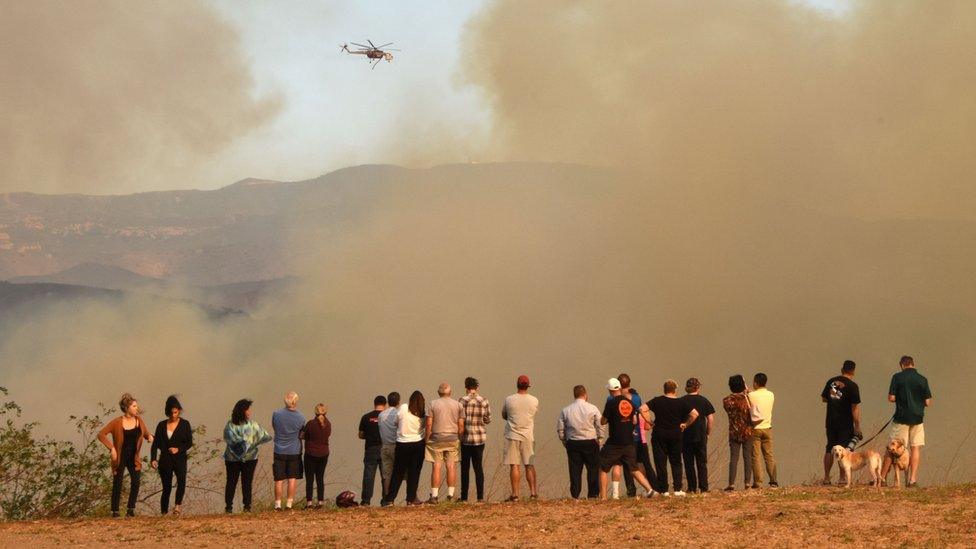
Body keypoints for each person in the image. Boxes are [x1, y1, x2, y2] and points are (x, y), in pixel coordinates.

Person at [880, 356, 932, 487]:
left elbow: (891, 398)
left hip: (901, 418)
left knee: (892, 448)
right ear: (913, 364)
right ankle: (912, 480)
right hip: (918, 419)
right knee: (915, 448)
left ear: (902, 365)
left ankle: (882, 478)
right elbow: (928, 402)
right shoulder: (923, 379)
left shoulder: (897, 377)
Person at [98, 393, 152, 517]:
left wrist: (149, 437)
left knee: (136, 481)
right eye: (134, 406)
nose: (136, 408)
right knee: (118, 482)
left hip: (134, 458)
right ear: (127, 408)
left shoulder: (139, 421)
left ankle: (130, 509)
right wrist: (111, 448)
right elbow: (101, 434)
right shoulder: (117, 422)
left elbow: (146, 433)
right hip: (120, 457)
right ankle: (115, 511)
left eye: (136, 406)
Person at [600, 378, 655, 499]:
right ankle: (650, 490)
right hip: (629, 441)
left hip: (615, 441)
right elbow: (636, 418)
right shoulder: (630, 402)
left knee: (603, 467)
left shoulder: (611, 402)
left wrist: (610, 419)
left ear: (610, 390)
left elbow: (603, 421)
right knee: (634, 468)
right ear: (619, 388)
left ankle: (603, 497)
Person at [647, 379, 699, 496]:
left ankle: (664, 490)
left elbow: (642, 408)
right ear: (675, 390)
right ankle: (677, 489)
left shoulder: (657, 401)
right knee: (676, 462)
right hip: (676, 434)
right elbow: (695, 414)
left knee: (661, 462)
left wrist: (649, 421)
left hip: (659, 434)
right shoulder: (681, 402)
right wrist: (685, 424)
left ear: (664, 389)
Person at [223, 398, 272, 513]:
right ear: (242, 411)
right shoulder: (233, 425)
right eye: (248, 410)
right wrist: (248, 442)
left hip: (241, 459)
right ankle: (231, 507)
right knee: (233, 482)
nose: (250, 412)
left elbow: (265, 436)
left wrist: (245, 443)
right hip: (238, 459)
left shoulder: (247, 425)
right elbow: (264, 436)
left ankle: (245, 506)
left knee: (244, 482)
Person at [557, 384, 603, 499]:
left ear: (574, 395)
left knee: (575, 471)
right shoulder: (593, 408)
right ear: (585, 394)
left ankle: (575, 495)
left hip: (573, 443)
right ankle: (593, 494)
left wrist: (564, 440)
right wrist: (600, 438)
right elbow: (600, 424)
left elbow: (560, 427)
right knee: (593, 469)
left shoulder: (566, 410)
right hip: (590, 442)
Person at [150, 395, 193, 515]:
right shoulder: (161, 425)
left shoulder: (185, 424)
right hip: (165, 460)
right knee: (166, 487)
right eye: (171, 413)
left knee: (181, 481)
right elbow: (155, 444)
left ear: (179, 411)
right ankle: (163, 512)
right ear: (167, 412)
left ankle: (177, 506)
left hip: (180, 459)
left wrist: (178, 449)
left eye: (175, 412)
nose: (173, 415)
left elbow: (189, 443)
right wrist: (153, 458)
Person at [821, 360, 861, 485]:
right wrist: (857, 425)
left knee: (829, 448)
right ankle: (842, 478)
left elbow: (823, 398)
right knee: (843, 451)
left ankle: (826, 478)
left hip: (831, 421)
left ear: (841, 369)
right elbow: (854, 407)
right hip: (845, 423)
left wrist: (835, 399)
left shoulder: (831, 382)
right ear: (853, 371)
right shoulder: (853, 386)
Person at [383, 390, 427, 506]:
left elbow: (395, 422)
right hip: (418, 444)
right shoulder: (423, 412)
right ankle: (411, 499)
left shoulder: (403, 407)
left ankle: (390, 499)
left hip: (402, 443)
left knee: (398, 472)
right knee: (414, 473)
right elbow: (424, 428)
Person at [502, 374, 539, 502]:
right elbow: (534, 413)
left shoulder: (509, 399)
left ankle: (515, 494)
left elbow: (504, 415)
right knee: (529, 464)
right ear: (528, 386)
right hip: (528, 435)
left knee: (514, 465)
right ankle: (533, 493)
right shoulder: (534, 400)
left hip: (512, 434)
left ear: (517, 385)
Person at [425, 382, 464, 503]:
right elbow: (461, 424)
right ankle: (450, 495)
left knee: (436, 466)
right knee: (451, 466)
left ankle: (435, 496)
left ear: (438, 393)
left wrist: (427, 439)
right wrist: (460, 438)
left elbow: (429, 423)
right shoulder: (458, 405)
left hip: (436, 438)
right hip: (452, 438)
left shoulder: (432, 404)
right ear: (450, 393)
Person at [271, 391, 306, 510]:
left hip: (279, 450)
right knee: (292, 478)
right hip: (294, 451)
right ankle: (289, 504)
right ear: (296, 402)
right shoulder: (301, 417)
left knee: (279, 479)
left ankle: (277, 505)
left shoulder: (276, 414)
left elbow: (275, 427)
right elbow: (301, 434)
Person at [458, 377, 491, 503]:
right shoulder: (484, 401)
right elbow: (488, 419)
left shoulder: (461, 401)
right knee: (478, 468)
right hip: (479, 438)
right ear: (477, 388)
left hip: (465, 438)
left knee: (465, 469)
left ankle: (464, 497)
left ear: (466, 388)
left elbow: (458, 419)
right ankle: (480, 497)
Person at [681, 378, 715, 493]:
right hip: (700, 435)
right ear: (698, 387)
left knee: (688, 463)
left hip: (686, 436)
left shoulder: (682, 401)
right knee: (702, 463)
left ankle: (691, 488)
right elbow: (710, 419)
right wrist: (707, 433)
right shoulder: (704, 401)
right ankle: (704, 488)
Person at [722, 375, 754, 491]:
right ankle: (747, 483)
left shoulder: (727, 400)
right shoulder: (747, 399)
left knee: (734, 458)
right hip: (748, 430)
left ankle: (731, 484)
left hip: (734, 431)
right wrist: (747, 392)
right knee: (747, 457)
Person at [750, 373, 777, 488]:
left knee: (756, 456)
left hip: (755, 428)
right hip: (767, 427)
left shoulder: (750, 395)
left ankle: (758, 482)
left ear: (755, 382)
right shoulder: (771, 394)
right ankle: (773, 480)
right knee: (769, 455)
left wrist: (748, 392)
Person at [358, 395, 386, 506]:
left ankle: (366, 501)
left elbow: (360, 435)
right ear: (385, 404)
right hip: (385, 448)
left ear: (374, 404)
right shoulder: (387, 417)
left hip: (370, 449)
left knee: (369, 476)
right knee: (385, 476)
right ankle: (386, 500)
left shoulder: (366, 417)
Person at [303, 403, 332, 509]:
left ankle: (309, 503)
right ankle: (320, 502)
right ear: (326, 412)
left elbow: (302, 436)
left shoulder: (310, 424)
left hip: (311, 454)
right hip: (324, 454)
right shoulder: (328, 424)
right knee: (320, 478)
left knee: (309, 479)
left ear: (315, 412)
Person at [377, 392, 401, 500]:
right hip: (396, 446)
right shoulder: (399, 413)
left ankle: (387, 498)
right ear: (398, 402)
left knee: (387, 474)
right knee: (403, 472)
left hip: (385, 446)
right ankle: (411, 496)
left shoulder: (381, 415)